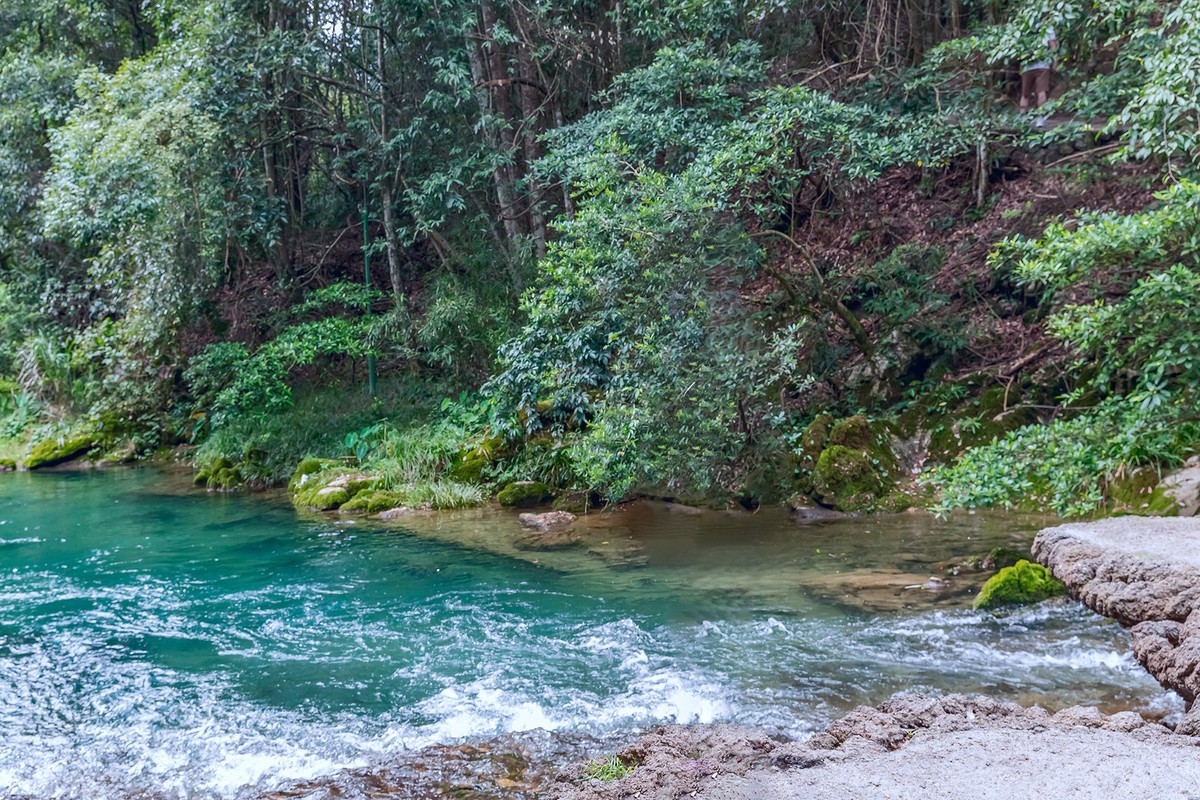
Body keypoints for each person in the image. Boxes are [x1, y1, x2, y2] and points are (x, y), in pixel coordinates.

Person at [1019, 25, 1058, 126]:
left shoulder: (1025, 26)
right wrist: (1055, 62)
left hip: (1028, 65)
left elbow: (1020, 47)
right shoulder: (1048, 28)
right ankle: (1040, 119)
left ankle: (1022, 119)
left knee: (1025, 94)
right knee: (1041, 92)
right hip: (1042, 65)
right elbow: (1053, 46)